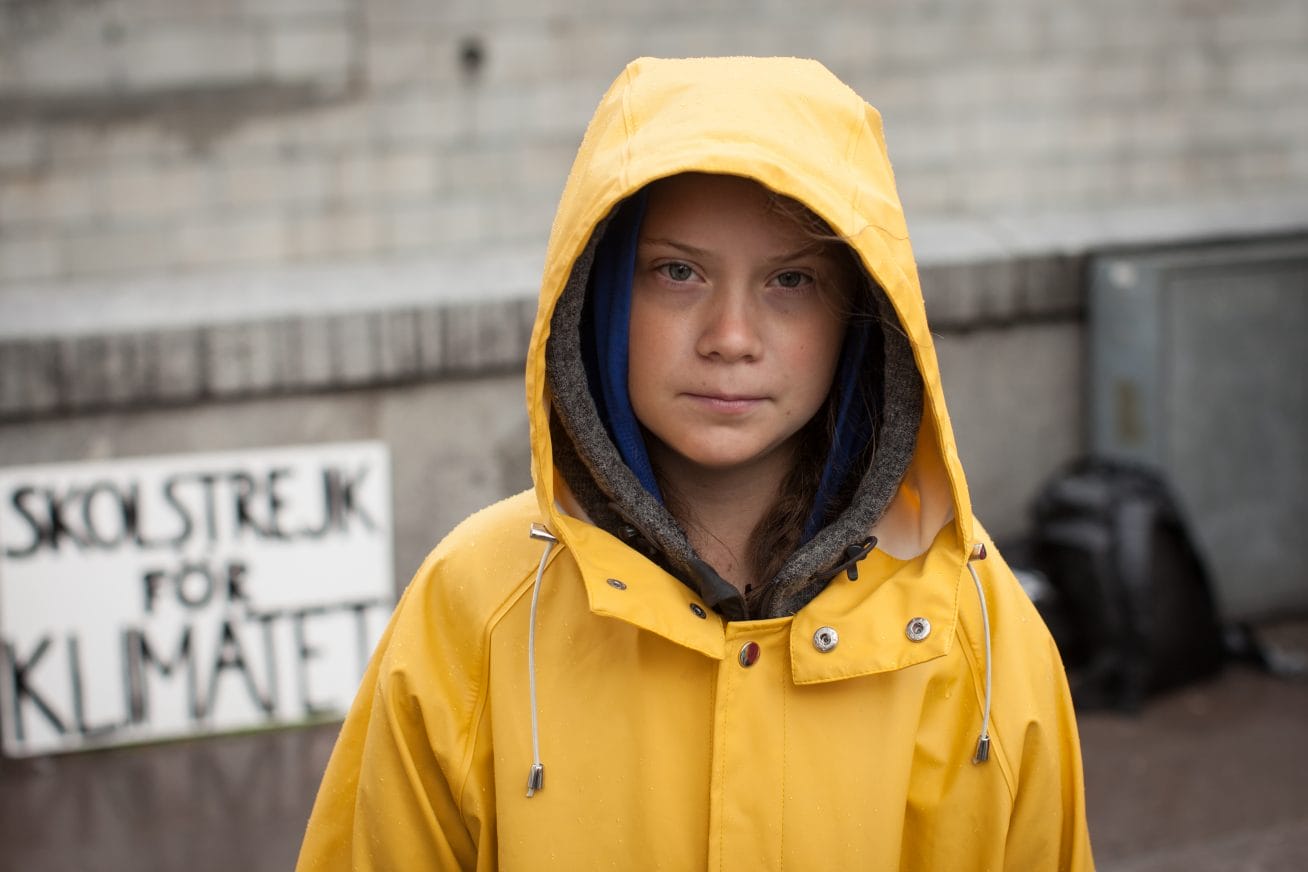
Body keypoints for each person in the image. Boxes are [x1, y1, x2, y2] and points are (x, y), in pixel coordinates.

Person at [296, 56, 1094, 870]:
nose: (731, 338)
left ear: (859, 315)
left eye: (791, 280)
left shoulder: (971, 618)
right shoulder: (477, 604)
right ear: (602, 293)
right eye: (678, 272)